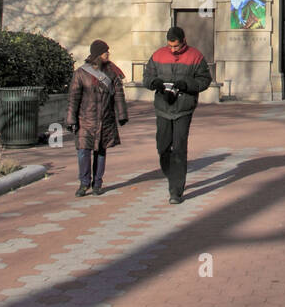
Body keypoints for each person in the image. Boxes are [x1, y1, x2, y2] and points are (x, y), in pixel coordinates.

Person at [142, 25, 212, 203]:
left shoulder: (196, 56)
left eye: (176, 46)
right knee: (163, 147)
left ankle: (176, 190)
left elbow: (204, 80)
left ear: (184, 42)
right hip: (163, 108)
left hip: (183, 109)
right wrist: (155, 83)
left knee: (179, 147)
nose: (173, 50)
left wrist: (186, 84)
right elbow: (147, 77)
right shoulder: (158, 55)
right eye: (170, 46)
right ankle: (171, 175)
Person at [66, 39, 128, 197]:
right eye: (105, 51)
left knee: (101, 152)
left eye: (108, 51)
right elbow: (74, 97)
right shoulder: (81, 73)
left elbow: (119, 94)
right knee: (83, 152)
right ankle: (84, 183)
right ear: (97, 54)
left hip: (105, 118)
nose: (108, 54)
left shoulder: (112, 72)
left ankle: (97, 184)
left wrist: (122, 114)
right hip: (85, 120)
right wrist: (71, 118)